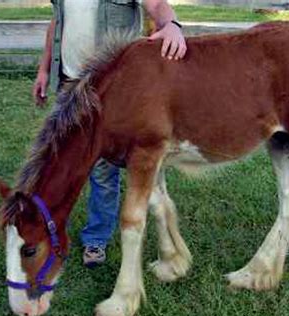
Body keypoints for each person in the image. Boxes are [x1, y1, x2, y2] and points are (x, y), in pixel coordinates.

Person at [32, 0, 186, 267]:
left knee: (103, 171)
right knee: (62, 159)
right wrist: (44, 69)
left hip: (108, 90)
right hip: (70, 84)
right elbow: (56, 22)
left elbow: (157, 4)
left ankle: (96, 238)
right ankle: (51, 224)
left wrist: (171, 25)